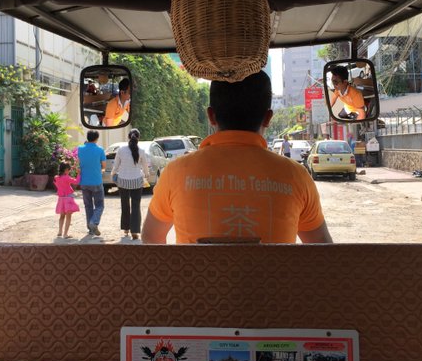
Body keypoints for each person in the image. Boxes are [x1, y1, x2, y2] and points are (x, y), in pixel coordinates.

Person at [142, 71, 333, 245]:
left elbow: (151, 236)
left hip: (195, 284)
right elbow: (321, 248)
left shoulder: (175, 172)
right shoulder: (296, 176)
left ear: (211, 116)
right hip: (276, 284)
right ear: (268, 118)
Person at [112, 128, 150, 240]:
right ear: (138, 138)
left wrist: (113, 174)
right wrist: (146, 175)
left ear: (129, 137)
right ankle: (135, 231)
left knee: (125, 205)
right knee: (135, 205)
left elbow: (116, 165)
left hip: (122, 181)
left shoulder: (121, 150)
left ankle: (126, 228)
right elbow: (145, 167)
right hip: (137, 181)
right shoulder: (141, 151)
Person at [77, 130, 106, 236]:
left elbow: (77, 164)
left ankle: (91, 228)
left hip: (84, 181)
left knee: (88, 205)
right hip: (97, 181)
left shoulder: (79, 149)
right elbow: (103, 166)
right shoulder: (100, 150)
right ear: (97, 138)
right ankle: (94, 223)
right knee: (99, 205)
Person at [53, 162, 80, 239]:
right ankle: (65, 234)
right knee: (68, 217)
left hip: (61, 199)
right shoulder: (67, 177)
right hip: (68, 199)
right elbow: (76, 181)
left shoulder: (56, 177)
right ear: (65, 170)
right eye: (69, 170)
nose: (69, 171)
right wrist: (79, 174)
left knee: (62, 216)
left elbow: (57, 185)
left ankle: (60, 231)